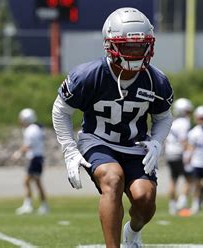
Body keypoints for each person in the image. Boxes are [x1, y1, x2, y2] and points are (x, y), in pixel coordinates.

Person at [52, 7, 173, 248]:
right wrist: (69, 150)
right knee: (113, 179)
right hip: (98, 140)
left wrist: (157, 142)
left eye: (141, 46)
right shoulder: (88, 75)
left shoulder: (156, 80)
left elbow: (163, 117)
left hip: (135, 145)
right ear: (110, 44)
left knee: (145, 200)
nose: (136, 52)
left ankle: (133, 232)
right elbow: (61, 111)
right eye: (128, 46)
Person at [12, 108, 49, 215]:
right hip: (37, 158)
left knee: (27, 181)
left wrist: (18, 153)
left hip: (35, 158)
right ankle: (42, 205)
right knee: (36, 182)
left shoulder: (31, 130)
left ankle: (29, 205)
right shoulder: (36, 128)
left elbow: (28, 145)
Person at [164, 98, 193, 215]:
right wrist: (189, 154)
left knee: (173, 180)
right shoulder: (184, 123)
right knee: (189, 179)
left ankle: (172, 206)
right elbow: (184, 141)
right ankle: (182, 201)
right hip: (180, 154)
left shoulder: (172, 122)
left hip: (170, 153)